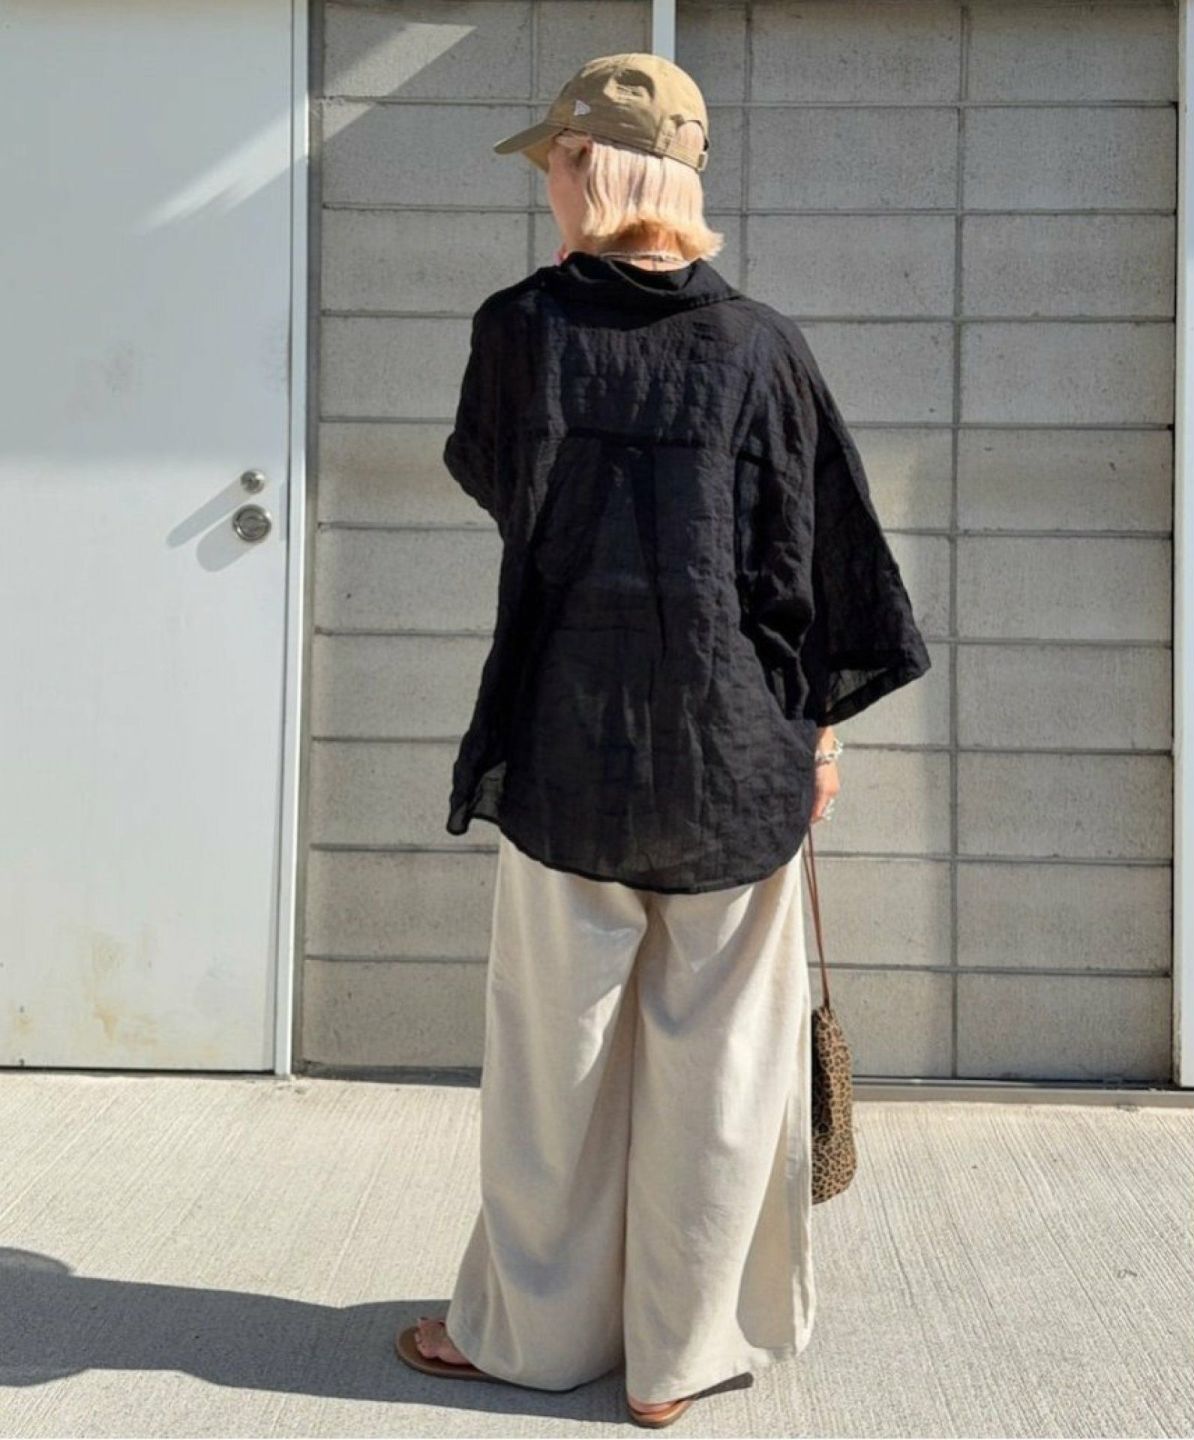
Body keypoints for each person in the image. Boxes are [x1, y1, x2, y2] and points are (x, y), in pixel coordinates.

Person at [394, 53, 932, 1428]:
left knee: (553, 1076)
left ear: (591, 167)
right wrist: (816, 740)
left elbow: (500, 482)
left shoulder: (522, 330)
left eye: (555, 164)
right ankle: (679, 1360)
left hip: (569, 751)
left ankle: (533, 1336)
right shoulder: (761, 347)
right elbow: (818, 566)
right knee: (723, 1077)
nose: (548, 188)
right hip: (732, 759)